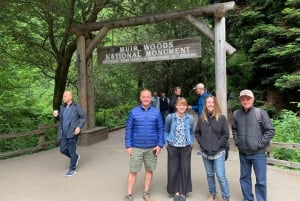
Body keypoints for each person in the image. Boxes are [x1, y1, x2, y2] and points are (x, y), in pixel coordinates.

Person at [232, 89, 275, 201]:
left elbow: (270, 131)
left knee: (260, 180)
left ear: (253, 99)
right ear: (240, 100)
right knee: (244, 178)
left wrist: (258, 145)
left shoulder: (260, 113)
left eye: (248, 98)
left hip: (258, 154)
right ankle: (248, 198)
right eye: (243, 99)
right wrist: (238, 142)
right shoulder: (236, 114)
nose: (245, 101)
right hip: (243, 154)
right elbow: (234, 129)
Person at [124, 89, 164, 201]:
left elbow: (161, 130)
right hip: (136, 147)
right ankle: (129, 194)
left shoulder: (156, 112)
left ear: (151, 98)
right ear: (140, 98)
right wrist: (129, 145)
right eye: (143, 97)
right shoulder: (133, 112)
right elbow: (129, 129)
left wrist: (160, 145)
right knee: (133, 170)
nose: (146, 99)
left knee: (149, 170)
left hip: (152, 147)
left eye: (148, 97)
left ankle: (146, 192)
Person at [195, 95, 230, 201]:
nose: (210, 104)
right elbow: (197, 132)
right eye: (208, 102)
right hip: (205, 152)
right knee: (210, 174)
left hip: (218, 152)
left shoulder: (221, 118)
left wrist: (218, 144)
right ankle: (212, 194)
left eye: (212, 102)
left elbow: (226, 134)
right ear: (205, 105)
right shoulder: (202, 118)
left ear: (215, 104)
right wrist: (202, 143)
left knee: (220, 175)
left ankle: (226, 196)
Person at [164, 98, 194, 201]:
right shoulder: (170, 117)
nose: (182, 107)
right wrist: (167, 143)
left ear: (186, 107)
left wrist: (191, 143)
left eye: (184, 105)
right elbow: (166, 130)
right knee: (173, 169)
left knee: (185, 169)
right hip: (173, 147)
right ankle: (176, 191)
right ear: (176, 106)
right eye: (180, 105)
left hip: (186, 147)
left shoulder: (190, 118)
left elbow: (191, 132)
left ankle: (183, 192)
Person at [53, 90, 87, 177]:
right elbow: (60, 120)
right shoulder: (62, 107)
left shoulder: (76, 107)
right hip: (63, 133)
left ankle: (72, 169)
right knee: (63, 150)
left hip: (72, 132)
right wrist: (56, 116)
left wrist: (79, 127)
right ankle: (75, 157)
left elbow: (83, 118)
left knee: (71, 150)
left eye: (65, 96)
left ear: (70, 97)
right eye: (63, 96)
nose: (63, 97)